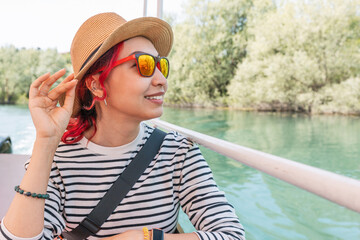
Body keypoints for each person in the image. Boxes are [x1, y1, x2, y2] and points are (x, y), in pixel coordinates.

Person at [0, 12, 245, 240]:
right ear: (96, 85)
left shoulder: (177, 152)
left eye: (161, 65)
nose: (161, 81)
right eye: (144, 65)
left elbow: (231, 234)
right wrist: (45, 142)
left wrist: (145, 237)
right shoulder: (58, 160)